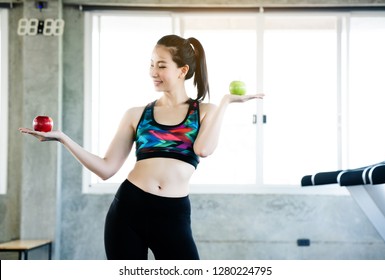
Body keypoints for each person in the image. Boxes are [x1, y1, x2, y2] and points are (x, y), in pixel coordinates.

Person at [19, 34, 264, 260]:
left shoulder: (204, 112)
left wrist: (225, 102)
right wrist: (63, 138)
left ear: (183, 70)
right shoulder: (137, 115)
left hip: (172, 215)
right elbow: (106, 169)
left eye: (161, 65)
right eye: (151, 64)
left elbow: (203, 150)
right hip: (128, 210)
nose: (153, 72)